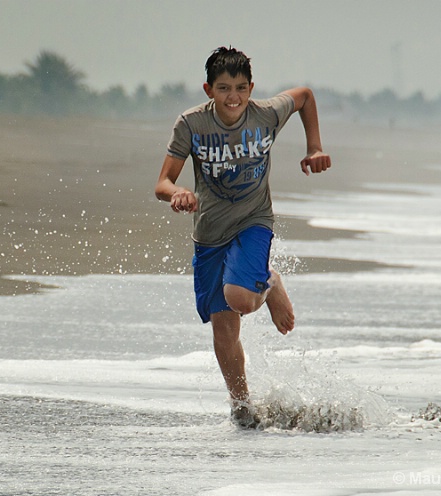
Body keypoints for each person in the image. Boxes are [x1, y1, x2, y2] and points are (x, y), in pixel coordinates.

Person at [154, 46, 331, 428]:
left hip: (254, 220)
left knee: (242, 300)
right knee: (223, 327)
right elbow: (162, 183)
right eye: (223, 88)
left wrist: (314, 147)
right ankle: (242, 406)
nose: (232, 97)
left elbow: (304, 96)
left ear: (251, 87)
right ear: (208, 89)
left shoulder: (265, 114)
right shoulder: (191, 124)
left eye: (239, 87)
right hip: (209, 233)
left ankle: (270, 282)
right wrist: (178, 193)